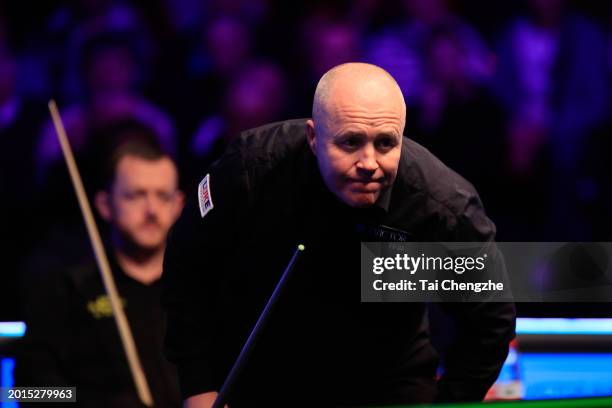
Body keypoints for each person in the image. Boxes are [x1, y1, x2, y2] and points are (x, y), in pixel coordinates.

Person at [162, 62, 515, 407]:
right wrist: (199, 385)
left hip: (390, 382)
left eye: (385, 143)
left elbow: (491, 320)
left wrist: (453, 401)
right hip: (266, 374)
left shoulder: (442, 206)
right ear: (314, 137)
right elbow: (187, 267)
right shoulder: (252, 171)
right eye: (350, 142)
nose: (369, 162)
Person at [16, 123, 185, 407]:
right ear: (105, 204)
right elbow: (23, 392)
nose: (152, 210)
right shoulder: (67, 290)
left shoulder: (195, 288)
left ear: (178, 205)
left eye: (162, 196)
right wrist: (97, 403)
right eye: (135, 195)